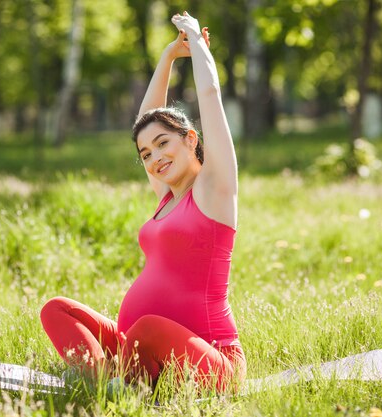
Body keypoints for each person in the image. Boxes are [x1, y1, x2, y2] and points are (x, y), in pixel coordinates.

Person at [40, 11, 245, 393]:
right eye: (146, 154)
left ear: (190, 139)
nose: (155, 159)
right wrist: (167, 57)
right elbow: (145, 119)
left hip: (211, 362)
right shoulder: (166, 196)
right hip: (141, 350)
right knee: (57, 309)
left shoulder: (215, 189)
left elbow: (210, 96)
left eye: (163, 144)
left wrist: (197, 45)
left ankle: (105, 382)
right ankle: (105, 381)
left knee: (146, 328)